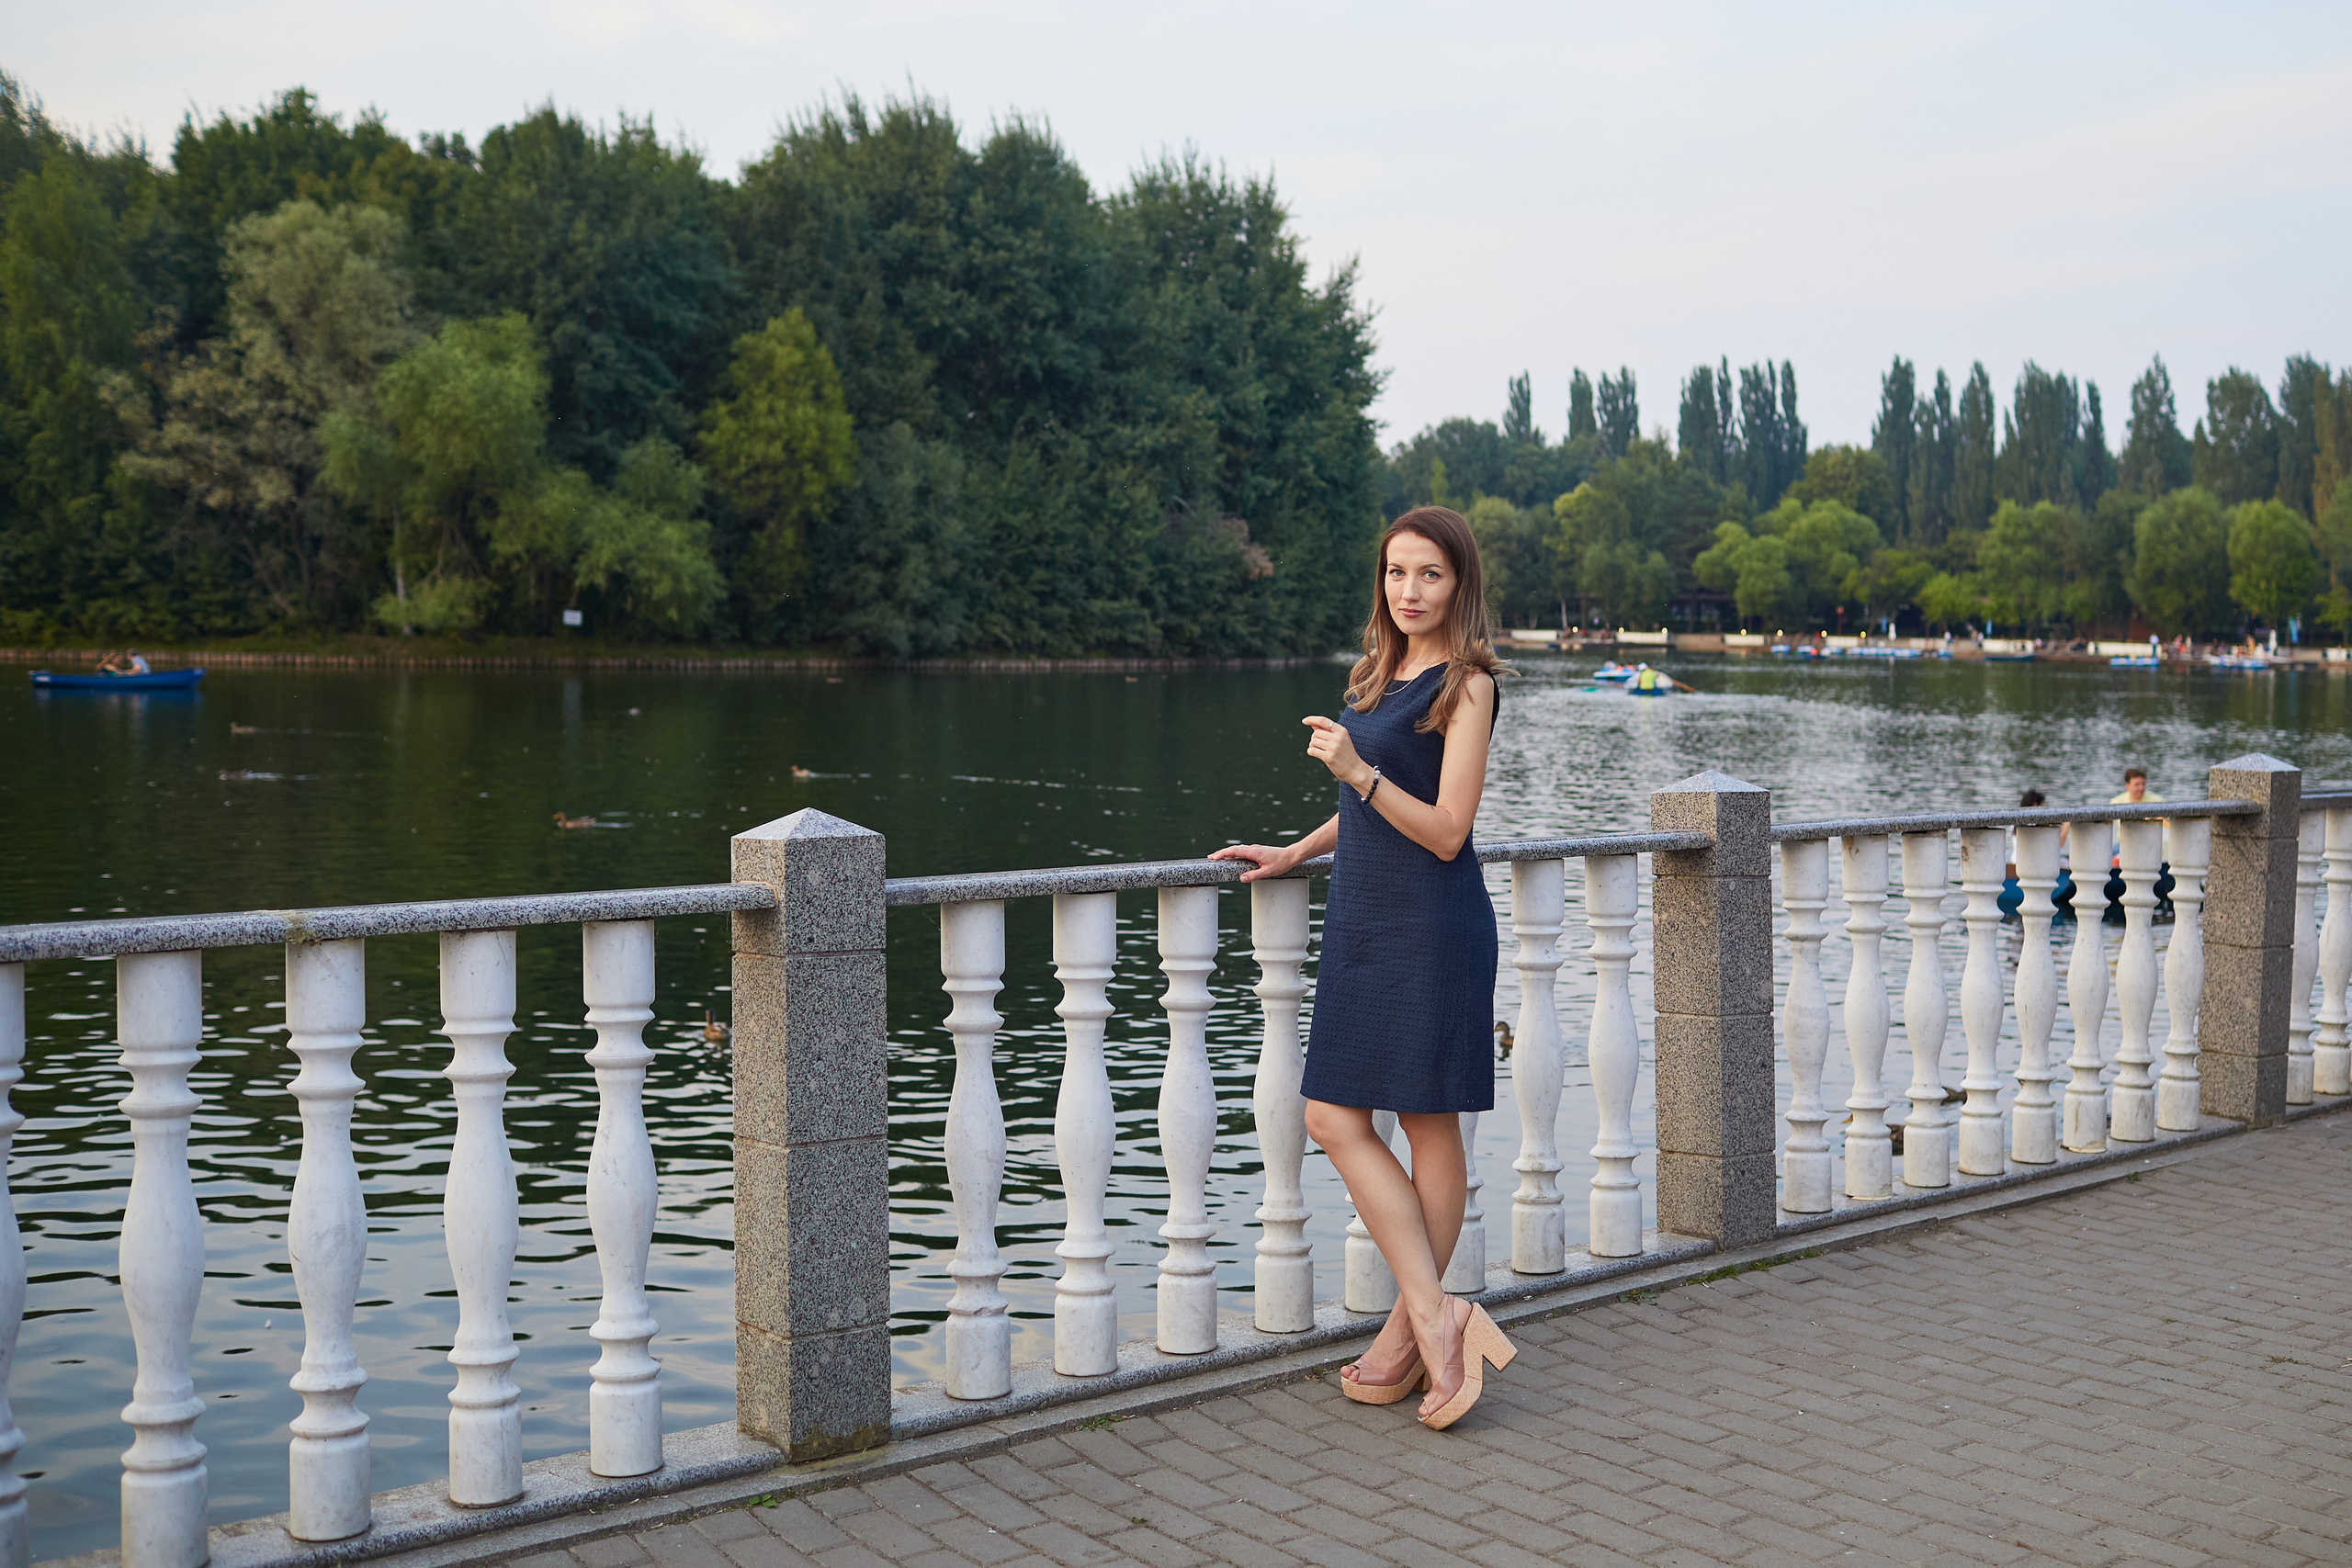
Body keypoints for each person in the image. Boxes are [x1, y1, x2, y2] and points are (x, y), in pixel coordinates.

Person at [1210, 505, 1517, 1431]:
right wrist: (1296, 851)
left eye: (1428, 574)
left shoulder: (1467, 686)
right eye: (1395, 572)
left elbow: (1447, 829)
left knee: (1425, 1122)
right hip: (1363, 922)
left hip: (1432, 922)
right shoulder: (1380, 674)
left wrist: (1356, 771)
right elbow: (1369, 809)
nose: (1408, 590)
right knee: (1332, 1115)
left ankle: (1417, 1324)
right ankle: (1432, 1314)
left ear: (1458, 584)